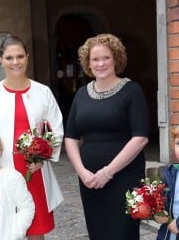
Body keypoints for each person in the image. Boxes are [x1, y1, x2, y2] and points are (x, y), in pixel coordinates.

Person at [0, 35, 64, 240]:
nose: (15, 62)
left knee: (35, 229)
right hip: (1, 172)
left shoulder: (43, 92)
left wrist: (43, 157)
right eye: (10, 57)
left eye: (20, 56)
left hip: (34, 171)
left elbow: (56, 129)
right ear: (1, 59)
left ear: (27, 57)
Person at [64, 33, 149, 240]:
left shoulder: (132, 91)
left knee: (122, 233)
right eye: (95, 59)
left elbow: (140, 138)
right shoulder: (82, 94)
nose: (101, 64)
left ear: (116, 59)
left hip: (124, 176)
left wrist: (108, 172)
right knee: (98, 231)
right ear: (88, 63)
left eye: (106, 58)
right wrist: (82, 171)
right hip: (89, 180)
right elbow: (71, 137)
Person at [155, 126, 179, 240]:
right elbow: (163, 201)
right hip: (169, 234)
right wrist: (157, 212)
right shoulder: (170, 173)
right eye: (178, 143)